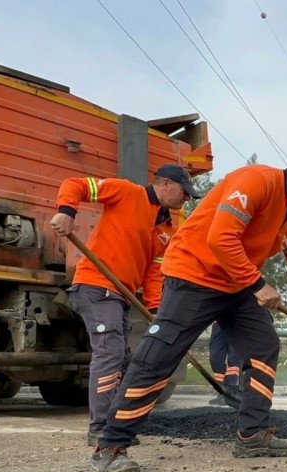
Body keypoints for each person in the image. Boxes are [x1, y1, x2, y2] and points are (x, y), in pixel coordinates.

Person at [91, 157, 287, 472]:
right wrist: (259, 284)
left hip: (236, 284)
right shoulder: (257, 181)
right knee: (159, 356)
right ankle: (110, 447)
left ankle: (252, 434)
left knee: (264, 344)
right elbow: (221, 237)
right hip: (194, 275)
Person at [49, 164, 200, 447]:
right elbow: (75, 183)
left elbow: (155, 271)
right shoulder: (126, 192)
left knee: (126, 357)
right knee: (110, 352)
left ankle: (115, 422)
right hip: (95, 286)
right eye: (184, 192)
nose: (186, 199)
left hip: (121, 295)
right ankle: (100, 427)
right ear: (165, 184)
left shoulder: (167, 227)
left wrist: (157, 309)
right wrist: (66, 212)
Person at [208, 322, 243, 407]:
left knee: (233, 360)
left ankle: (230, 393)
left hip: (236, 323)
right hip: (218, 324)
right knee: (215, 359)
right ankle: (222, 391)